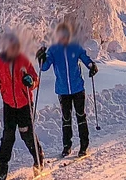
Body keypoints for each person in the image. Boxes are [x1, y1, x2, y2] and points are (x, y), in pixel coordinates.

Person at [0, 30, 42, 180]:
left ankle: (38, 160)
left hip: (25, 104)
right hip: (9, 106)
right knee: (7, 137)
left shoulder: (23, 61)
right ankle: (2, 171)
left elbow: (35, 80)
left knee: (27, 135)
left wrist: (30, 81)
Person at [38, 22, 99, 158]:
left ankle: (84, 145)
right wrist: (41, 58)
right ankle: (67, 146)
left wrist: (92, 66)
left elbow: (85, 58)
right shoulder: (54, 50)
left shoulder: (75, 47)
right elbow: (44, 67)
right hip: (63, 90)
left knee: (80, 116)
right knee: (66, 118)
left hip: (77, 88)